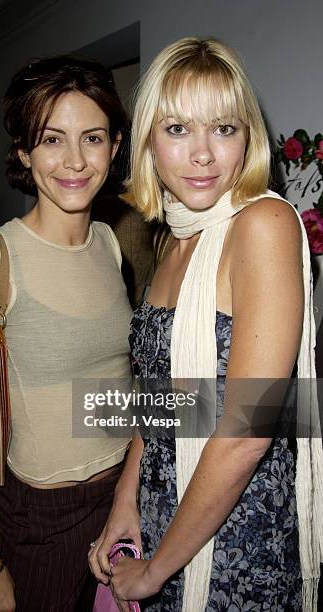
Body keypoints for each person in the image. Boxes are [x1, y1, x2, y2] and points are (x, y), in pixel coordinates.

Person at [89, 38, 323, 611]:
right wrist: (126, 497)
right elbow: (168, 399)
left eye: (223, 128)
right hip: (162, 511)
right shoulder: (175, 240)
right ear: (148, 139)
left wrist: (158, 570)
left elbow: (250, 427)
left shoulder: (262, 223)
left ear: (249, 138)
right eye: (177, 129)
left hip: (235, 542)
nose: (203, 155)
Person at [0, 55, 133, 611]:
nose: (74, 160)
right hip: (40, 516)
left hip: (121, 497)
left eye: (92, 137)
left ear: (114, 146)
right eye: (51, 139)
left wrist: (265, 410)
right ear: (24, 151)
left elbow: (104, 393)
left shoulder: (109, 244)